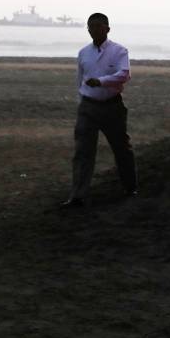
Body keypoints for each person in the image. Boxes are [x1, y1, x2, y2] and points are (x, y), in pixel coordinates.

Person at [61, 12, 138, 207]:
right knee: (83, 151)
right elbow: (80, 79)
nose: (93, 30)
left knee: (121, 148)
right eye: (90, 27)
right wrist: (83, 98)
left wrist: (101, 82)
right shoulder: (83, 53)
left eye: (97, 26)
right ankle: (78, 195)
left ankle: (130, 187)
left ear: (107, 29)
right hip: (88, 107)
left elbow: (124, 75)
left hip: (112, 106)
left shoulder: (119, 51)